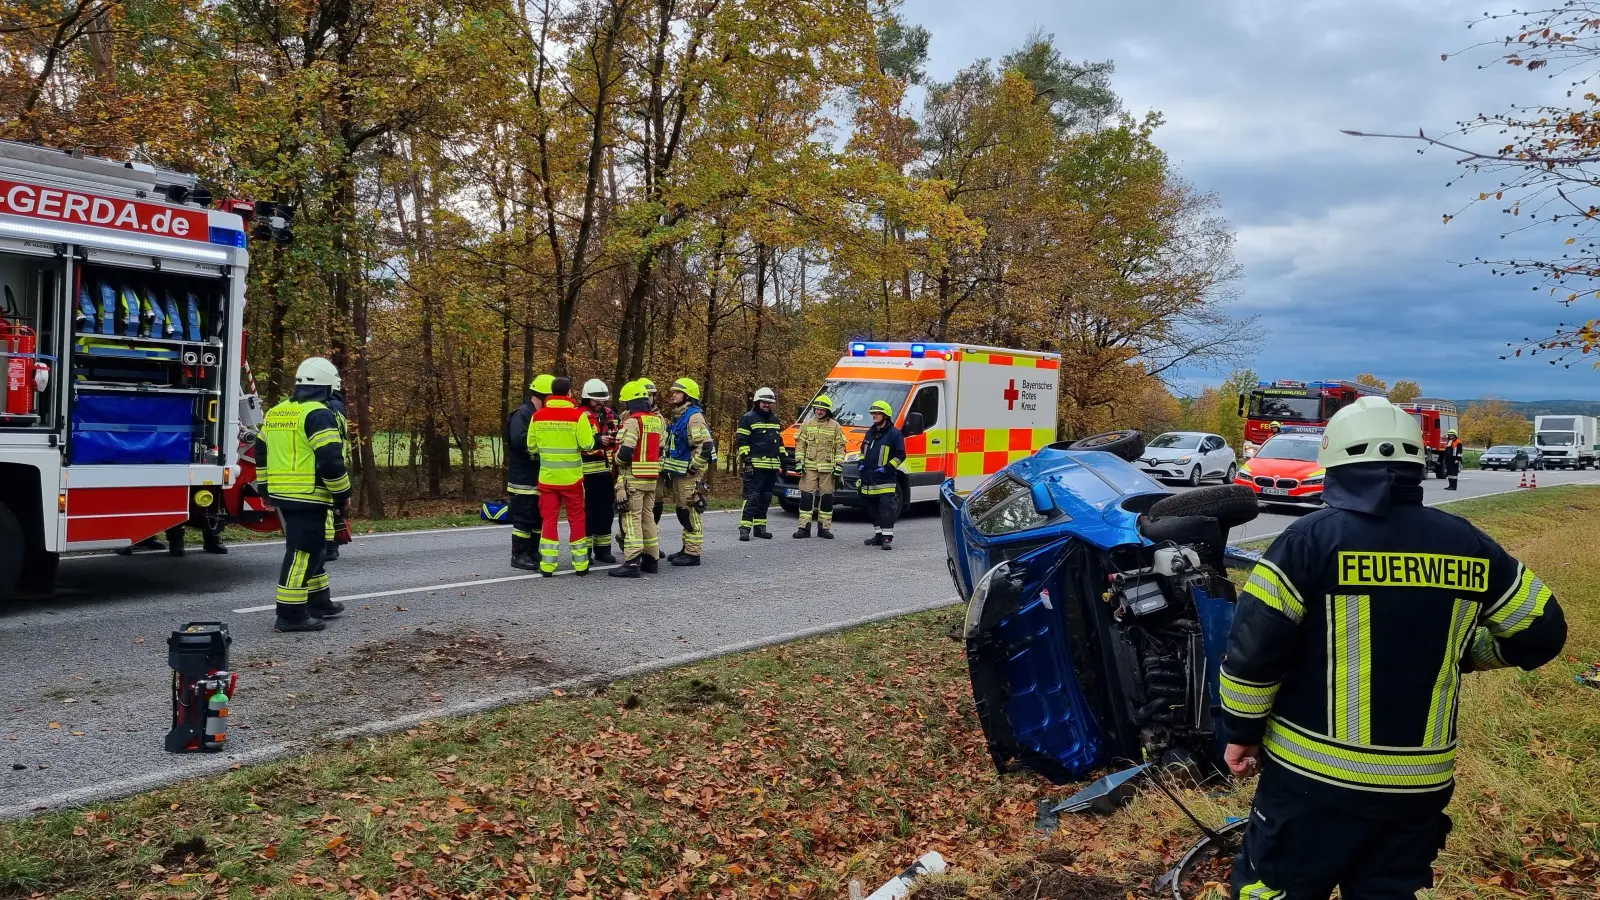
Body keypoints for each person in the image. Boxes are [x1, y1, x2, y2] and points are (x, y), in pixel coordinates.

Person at [1222, 396, 1566, 900]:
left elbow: (1253, 654)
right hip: (1419, 787)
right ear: (1416, 465)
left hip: (1311, 783)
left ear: (1334, 465)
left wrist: (1240, 732)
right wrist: (1465, 654)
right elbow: (1542, 630)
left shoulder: (1308, 541)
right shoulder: (1468, 544)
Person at [257, 357, 352, 632]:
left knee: (312, 549)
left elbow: (261, 453)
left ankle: (319, 601)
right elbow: (331, 459)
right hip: (308, 494)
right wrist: (341, 495)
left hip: (282, 494)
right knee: (303, 552)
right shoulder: (318, 413)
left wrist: (265, 489)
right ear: (328, 386)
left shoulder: (276, 412)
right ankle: (290, 614)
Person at [528, 376, 596, 576]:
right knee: (576, 519)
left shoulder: (538, 416)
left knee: (549, 520)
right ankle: (581, 565)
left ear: (550, 393)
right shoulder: (578, 416)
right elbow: (587, 445)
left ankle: (547, 566)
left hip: (548, 478)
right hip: (572, 479)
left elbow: (531, 446)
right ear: (569, 393)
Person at [609, 380, 665, 577]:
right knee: (648, 519)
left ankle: (632, 562)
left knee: (631, 519)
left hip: (632, 477)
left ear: (630, 403)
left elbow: (625, 452)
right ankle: (652, 560)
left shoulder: (633, 422)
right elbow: (660, 447)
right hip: (651, 477)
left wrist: (614, 460)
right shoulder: (656, 421)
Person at [661, 377, 715, 566]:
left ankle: (693, 554)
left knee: (691, 511)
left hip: (689, 474)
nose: (673, 395)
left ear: (688, 396)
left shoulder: (694, 416)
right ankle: (686, 548)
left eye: (677, 392)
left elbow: (706, 446)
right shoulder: (680, 416)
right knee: (682, 511)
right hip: (679, 473)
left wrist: (694, 467)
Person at [505, 374, 552, 570]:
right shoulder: (523, 414)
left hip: (539, 476)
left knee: (537, 517)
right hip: (523, 477)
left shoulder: (541, 415)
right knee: (524, 517)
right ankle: (519, 554)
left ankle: (532, 551)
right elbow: (519, 441)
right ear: (541, 396)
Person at [793, 394, 845, 539]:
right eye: (817, 408)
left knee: (827, 499)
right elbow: (800, 446)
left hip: (828, 470)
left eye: (822, 409)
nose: (819, 411)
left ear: (828, 411)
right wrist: (799, 463)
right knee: (806, 498)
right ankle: (804, 528)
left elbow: (840, 448)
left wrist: (839, 466)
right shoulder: (807, 424)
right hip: (809, 469)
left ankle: (824, 529)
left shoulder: (835, 426)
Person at [579, 378, 619, 565]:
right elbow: (578, 441)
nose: (600, 403)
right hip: (585, 473)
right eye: (596, 400)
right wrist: (598, 441)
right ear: (587, 399)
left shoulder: (611, 414)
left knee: (605, 513)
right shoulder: (579, 415)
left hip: (607, 473)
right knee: (587, 513)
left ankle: (603, 551)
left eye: (603, 400)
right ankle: (585, 552)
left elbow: (619, 435)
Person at [736, 386, 782, 541]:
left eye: (769, 402)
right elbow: (742, 442)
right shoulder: (748, 418)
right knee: (753, 497)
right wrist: (747, 462)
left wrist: (782, 462)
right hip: (755, 467)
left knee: (766, 498)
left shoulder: (775, 420)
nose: (767, 405)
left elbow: (779, 444)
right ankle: (745, 528)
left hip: (772, 467)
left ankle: (760, 528)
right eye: (764, 402)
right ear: (757, 402)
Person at [858, 399, 905, 550]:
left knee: (886, 509)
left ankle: (887, 538)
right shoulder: (870, 433)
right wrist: (860, 463)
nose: (874, 416)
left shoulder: (894, 434)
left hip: (885, 479)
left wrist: (887, 468)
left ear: (885, 415)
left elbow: (900, 455)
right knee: (872, 509)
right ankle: (878, 535)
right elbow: (861, 451)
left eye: (877, 413)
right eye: (873, 413)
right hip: (869, 479)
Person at [323, 380, 352, 561]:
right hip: (336, 460)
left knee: (328, 505)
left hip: (327, 460)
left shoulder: (325, 408)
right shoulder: (337, 406)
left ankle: (329, 545)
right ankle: (332, 544)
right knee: (334, 503)